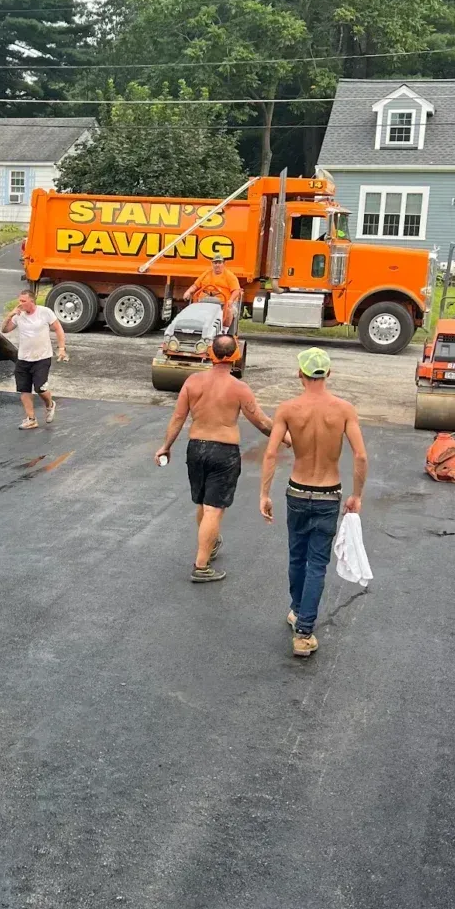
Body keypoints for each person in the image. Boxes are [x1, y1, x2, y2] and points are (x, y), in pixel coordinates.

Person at [259, 347, 368, 658]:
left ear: (300, 374)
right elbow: (360, 455)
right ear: (328, 373)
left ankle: (298, 611)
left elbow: (271, 453)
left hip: (296, 491)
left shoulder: (288, 409)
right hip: (327, 494)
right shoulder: (344, 409)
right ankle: (304, 631)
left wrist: (264, 494)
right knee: (317, 563)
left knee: (297, 556)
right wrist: (357, 495)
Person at [154, 334, 278, 583]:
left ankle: (209, 543)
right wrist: (285, 437)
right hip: (224, 452)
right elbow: (262, 422)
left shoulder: (192, 382)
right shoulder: (239, 388)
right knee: (213, 509)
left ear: (210, 354)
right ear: (235, 357)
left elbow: (178, 418)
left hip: (196, 448)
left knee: (202, 503)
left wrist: (165, 446)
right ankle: (201, 566)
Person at [2, 289, 68, 429]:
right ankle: (31, 419)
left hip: (42, 357)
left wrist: (61, 348)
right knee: (24, 390)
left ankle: (50, 404)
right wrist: (10, 315)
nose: (20, 304)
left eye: (23, 301)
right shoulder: (18, 315)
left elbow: (58, 329)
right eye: (19, 301)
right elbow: (5, 330)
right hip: (23, 358)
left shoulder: (45, 312)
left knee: (40, 388)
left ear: (32, 301)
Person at [184, 252, 241, 331]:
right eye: (215, 263)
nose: (217, 265)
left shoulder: (230, 276)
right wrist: (188, 292)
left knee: (229, 310)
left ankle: (224, 330)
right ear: (212, 264)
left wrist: (230, 300)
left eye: (219, 262)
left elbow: (236, 290)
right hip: (205, 301)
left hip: (223, 302)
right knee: (192, 309)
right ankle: (195, 330)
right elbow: (195, 285)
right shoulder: (206, 273)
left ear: (223, 263)